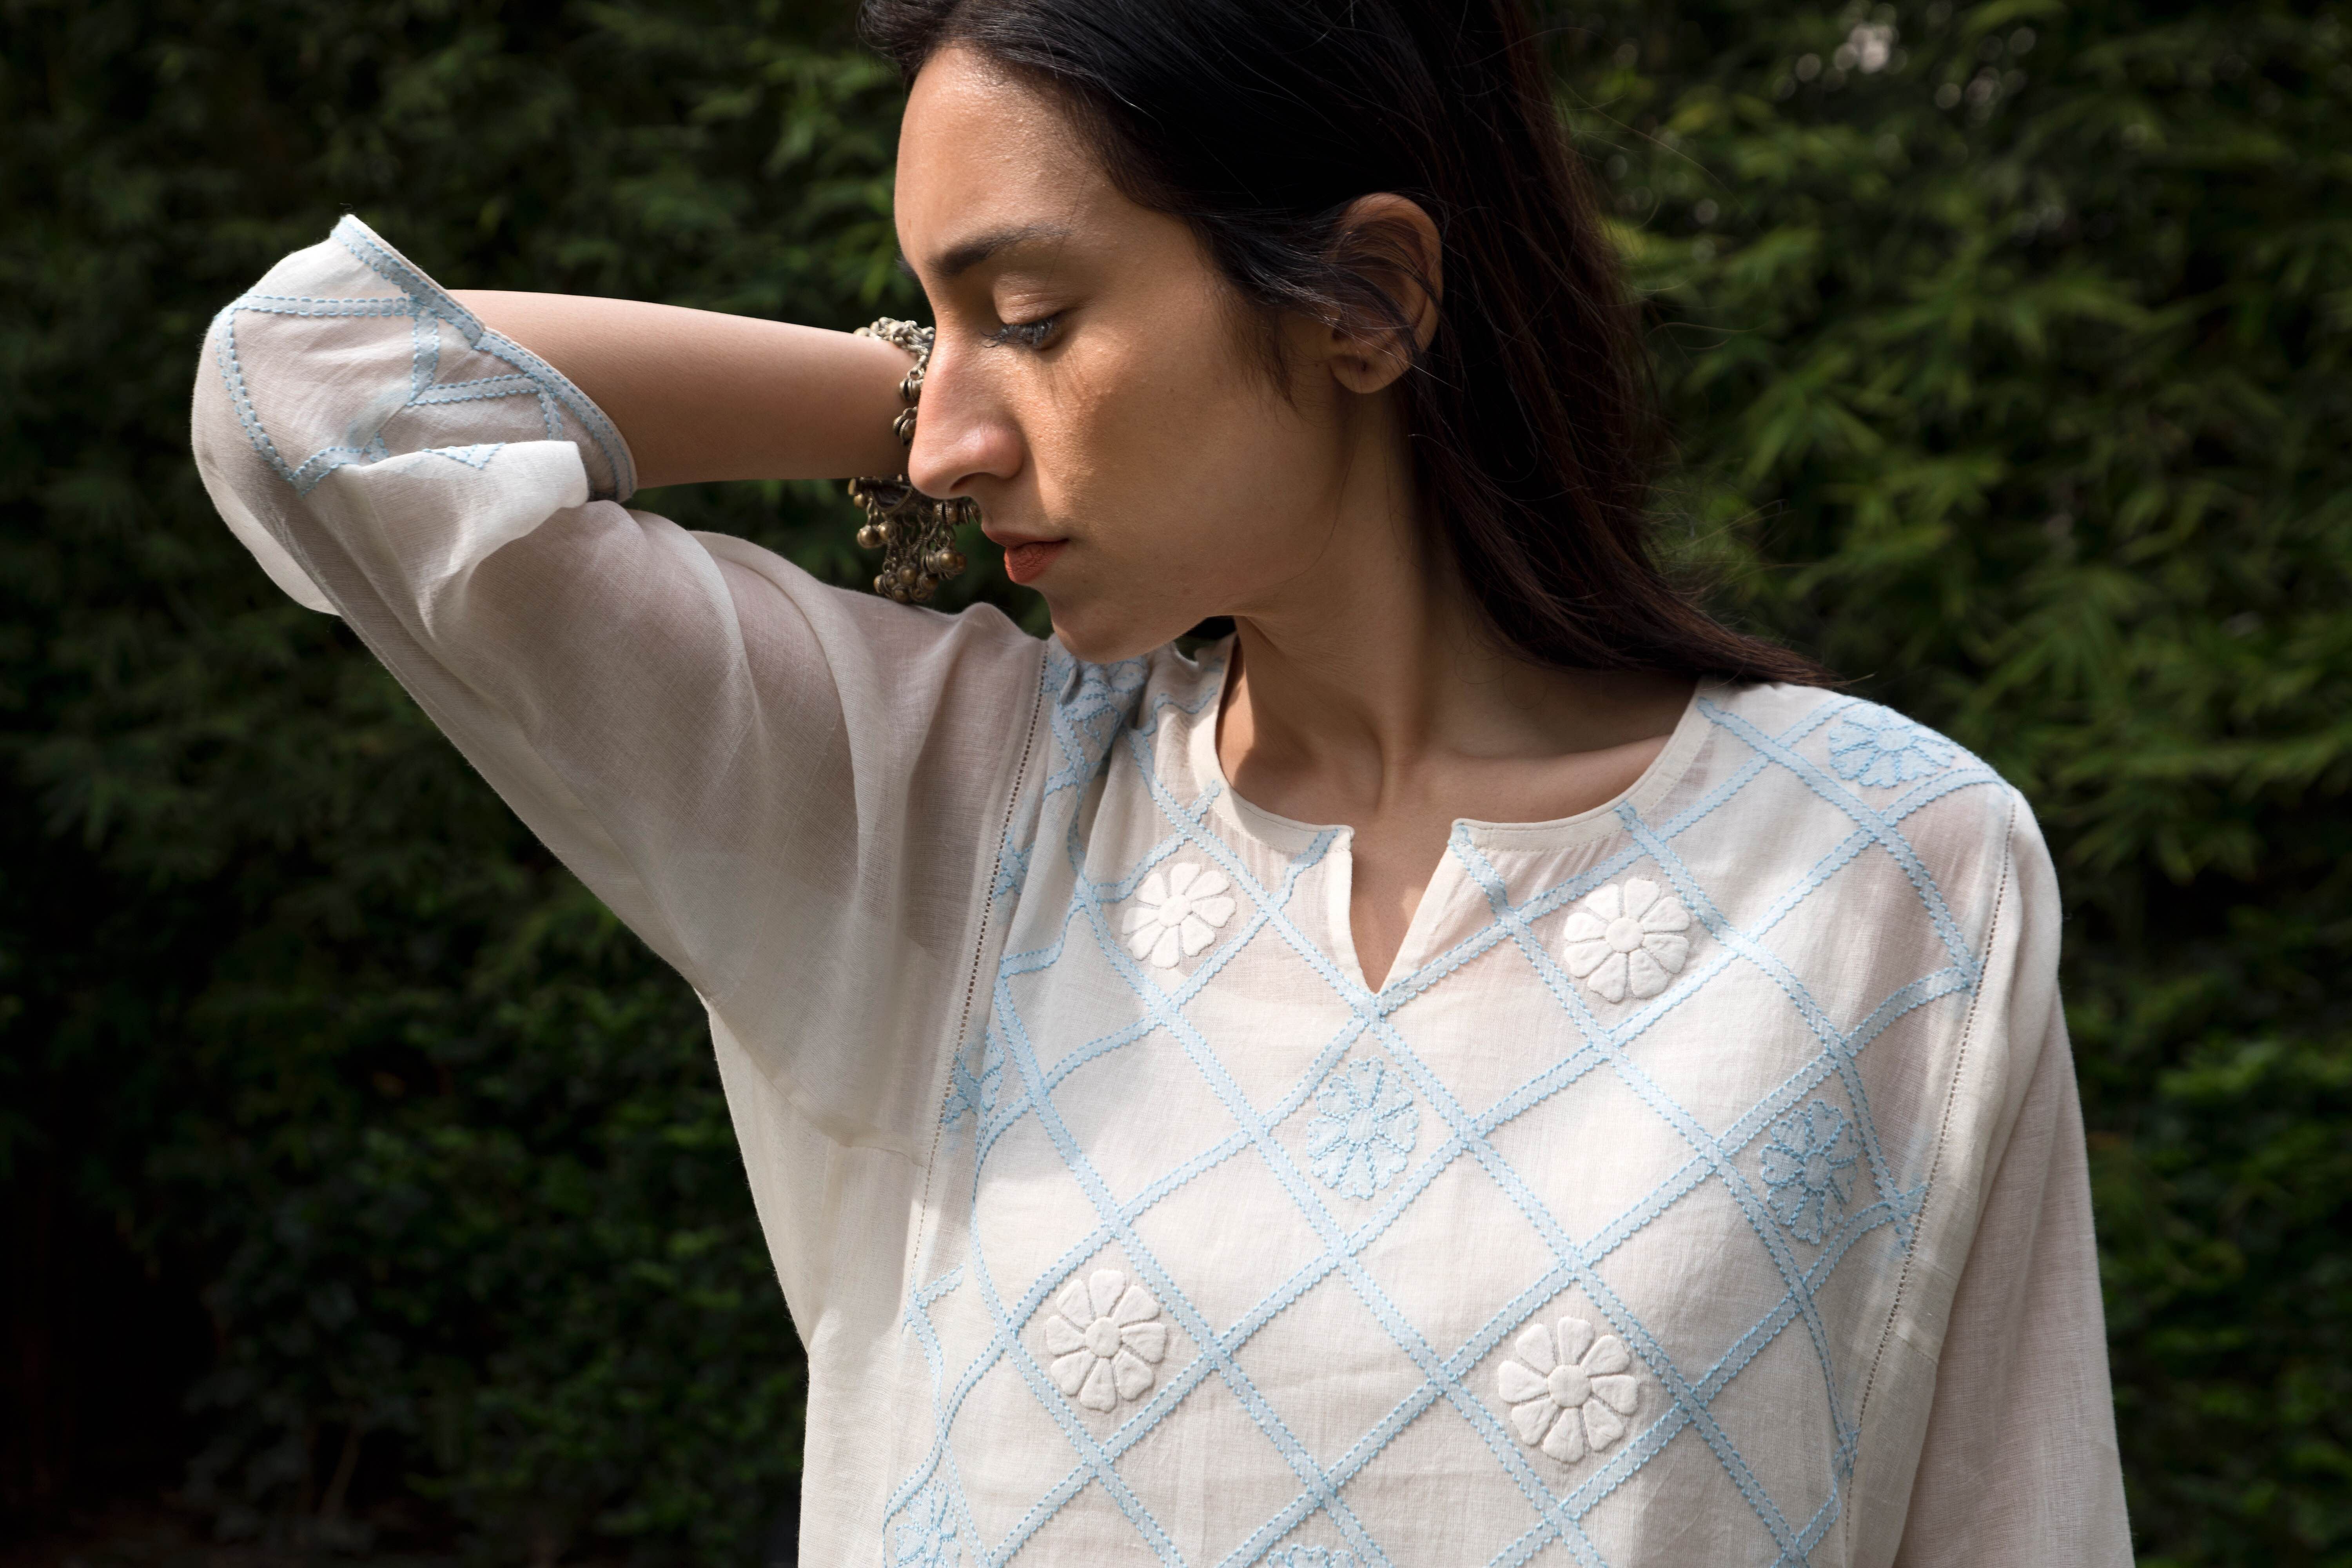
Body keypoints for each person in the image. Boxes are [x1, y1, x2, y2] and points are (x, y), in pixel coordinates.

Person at [189, 0, 2131, 1562]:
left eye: (1031, 312)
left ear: (1368, 296)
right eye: (929, 323)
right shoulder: (948, 817)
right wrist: (943, 383)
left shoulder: (1893, 873)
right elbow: (322, 396)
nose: (945, 442)